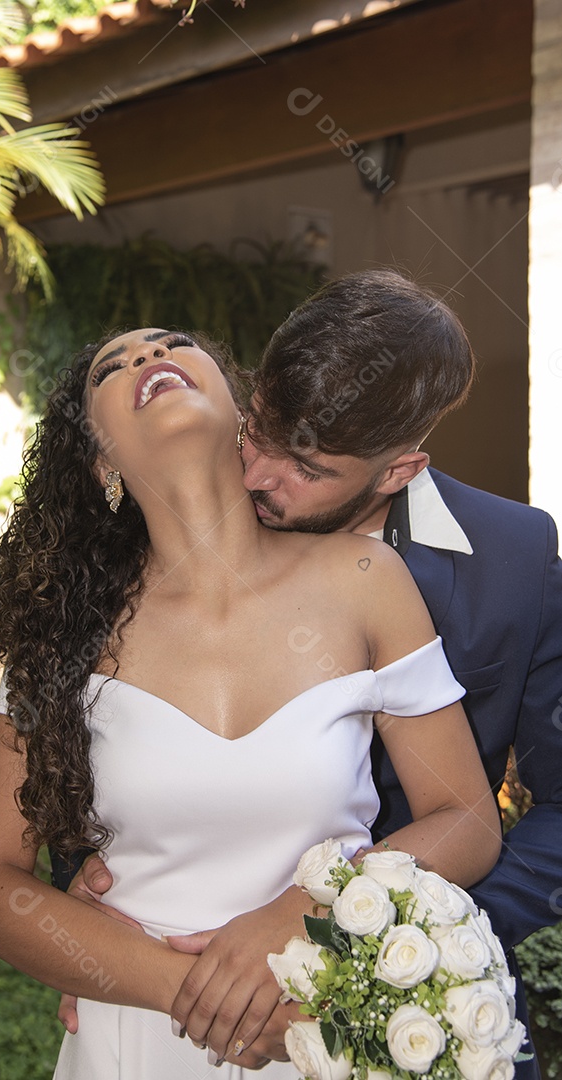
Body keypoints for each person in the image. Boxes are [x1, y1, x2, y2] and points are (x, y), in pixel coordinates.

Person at [0, 319, 502, 1078]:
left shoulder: (364, 578)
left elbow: (467, 821)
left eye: (174, 344)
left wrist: (305, 912)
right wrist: (203, 994)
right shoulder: (61, 635)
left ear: (244, 416)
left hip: (322, 1017)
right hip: (136, 1035)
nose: (148, 356)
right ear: (100, 461)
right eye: (112, 366)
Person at [69, 270, 560, 1078]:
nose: (258, 473)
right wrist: (91, 921)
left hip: (411, 1002)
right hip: (174, 999)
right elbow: (106, 719)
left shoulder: (515, 559)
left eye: (306, 466)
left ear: (397, 471)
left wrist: (404, 945)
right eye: (258, 427)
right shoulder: (176, 497)